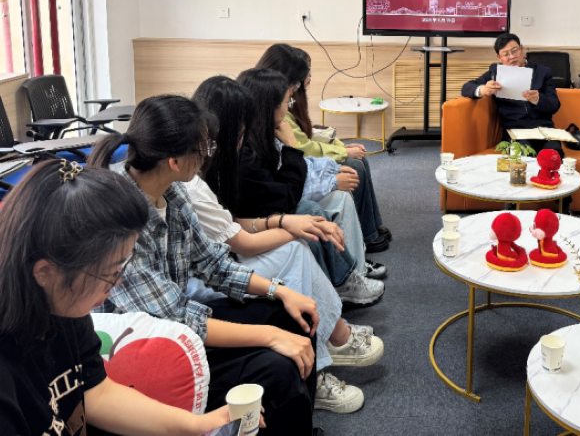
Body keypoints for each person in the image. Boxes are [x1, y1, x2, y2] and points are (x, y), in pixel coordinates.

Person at [88, 95, 323, 434]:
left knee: (293, 317)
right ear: (174, 161)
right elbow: (176, 321)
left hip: (177, 323)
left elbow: (213, 263)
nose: (207, 156)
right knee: (276, 367)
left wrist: (279, 290)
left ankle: (296, 418)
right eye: (203, 148)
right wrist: (270, 336)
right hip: (145, 351)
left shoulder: (173, 193)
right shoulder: (119, 217)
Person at [0, 160, 239, 436]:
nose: (117, 283)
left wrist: (197, 425)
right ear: (45, 273)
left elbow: (97, 393)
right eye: (110, 273)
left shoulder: (62, 307)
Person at [191, 75, 383, 414]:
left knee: (307, 228)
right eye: (286, 100)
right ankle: (324, 353)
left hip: (219, 260)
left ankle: (330, 332)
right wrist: (291, 226)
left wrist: (282, 223)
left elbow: (234, 224)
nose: (289, 105)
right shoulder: (197, 182)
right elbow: (248, 236)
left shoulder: (209, 168)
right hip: (206, 279)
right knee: (300, 239)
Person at [235, 68, 384, 306]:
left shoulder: (267, 132)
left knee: (342, 192)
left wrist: (332, 171)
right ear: (268, 106)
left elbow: (300, 171)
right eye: (286, 102)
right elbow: (290, 195)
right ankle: (344, 279)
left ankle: (353, 271)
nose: (288, 108)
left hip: (276, 207)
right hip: (268, 214)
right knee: (312, 210)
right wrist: (293, 147)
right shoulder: (250, 149)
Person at [255, 43, 391, 255]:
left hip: (301, 171)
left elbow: (306, 139)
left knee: (356, 164)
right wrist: (336, 169)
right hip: (294, 184)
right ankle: (366, 237)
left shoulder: (286, 101)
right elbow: (301, 152)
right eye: (304, 74)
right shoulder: (275, 112)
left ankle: (369, 230)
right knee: (354, 167)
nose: (308, 78)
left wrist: (340, 149)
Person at [461, 33, 563, 155]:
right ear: (499, 57)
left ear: (521, 49)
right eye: (506, 54)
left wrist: (538, 99)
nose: (512, 57)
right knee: (524, 153)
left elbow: (554, 105)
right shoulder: (496, 73)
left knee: (553, 153)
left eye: (514, 51)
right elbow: (466, 88)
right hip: (515, 131)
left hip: (543, 130)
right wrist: (483, 90)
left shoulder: (543, 72)